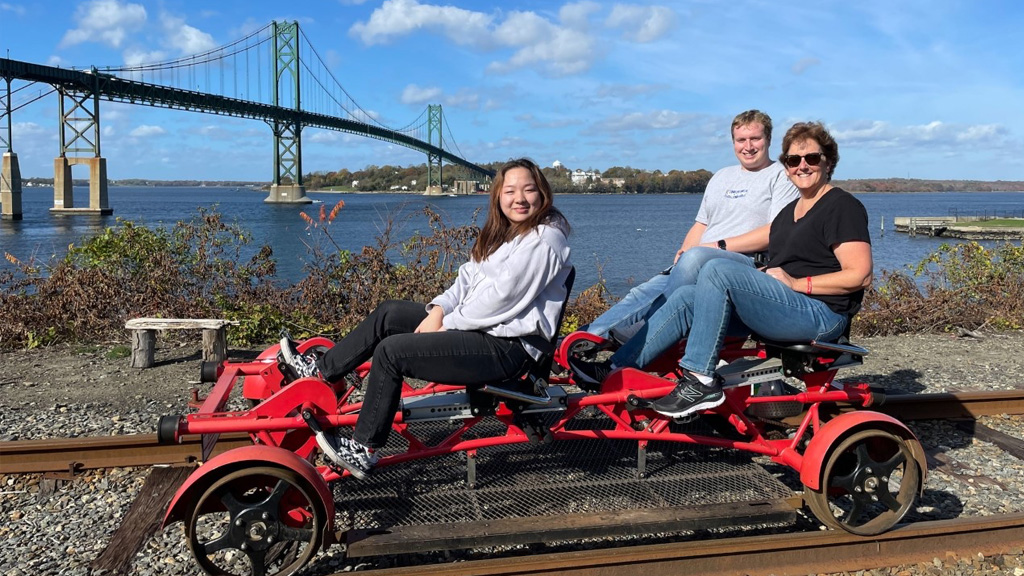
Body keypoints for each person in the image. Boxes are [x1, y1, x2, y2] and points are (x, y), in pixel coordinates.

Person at [279, 158, 572, 479]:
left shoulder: (545, 238)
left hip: (507, 349)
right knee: (389, 313)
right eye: (510, 191)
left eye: (528, 190)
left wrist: (448, 324)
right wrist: (439, 310)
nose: (519, 199)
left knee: (392, 354)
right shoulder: (504, 234)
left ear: (542, 193)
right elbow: (466, 280)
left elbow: (504, 298)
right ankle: (321, 371)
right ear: (498, 197)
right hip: (482, 333)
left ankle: (364, 449)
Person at [572, 122, 872, 418]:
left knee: (717, 270)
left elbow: (860, 274)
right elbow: (782, 262)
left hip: (822, 315)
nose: (802, 166)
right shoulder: (789, 212)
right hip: (786, 304)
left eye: (812, 158)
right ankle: (615, 369)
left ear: (828, 161)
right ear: (787, 165)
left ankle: (700, 379)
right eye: (794, 160)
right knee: (689, 296)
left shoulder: (842, 206)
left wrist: (797, 284)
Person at [581, 110, 799, 354]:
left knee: (694, 259)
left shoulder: (781, 176)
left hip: (745, 263)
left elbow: (775, 233)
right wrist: (684, 251)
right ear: (733, 142)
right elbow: (702, 224)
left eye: (755, 139)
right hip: (701, 258)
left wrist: (713, 248)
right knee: (646, 289)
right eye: (741, 140)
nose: (748, 146)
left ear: (768, 140)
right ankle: (586, 338)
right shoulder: (721, 176)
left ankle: (643, 331)